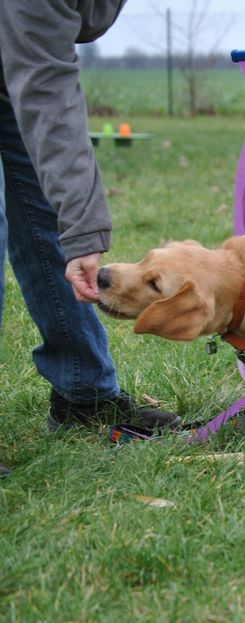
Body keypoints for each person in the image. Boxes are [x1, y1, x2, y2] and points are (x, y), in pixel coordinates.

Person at [0, 0, 181, 474]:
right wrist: (86, 231)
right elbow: (46, 85)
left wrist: (76, 230)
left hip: (11, 64)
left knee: (45, 209)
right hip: (23, 61)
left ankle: (83, 395)